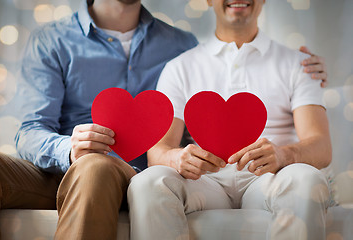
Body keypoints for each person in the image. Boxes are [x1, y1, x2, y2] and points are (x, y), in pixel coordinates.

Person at [0, 0, 327, 239]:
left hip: (113, 170)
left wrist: (309, 69)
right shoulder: (52, 40)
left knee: (95, 166)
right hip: (60, 165)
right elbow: (30, 131)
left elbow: (220, 73)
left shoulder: (178, 46)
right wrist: (68, 147)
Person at [127, 0, 332, 240]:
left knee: (306, 178)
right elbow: (158, 152)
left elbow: (321, 146)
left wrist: (283, 155)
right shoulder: (179, 67)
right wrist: (178, 158)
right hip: (204, 182)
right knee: (147, 182)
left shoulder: (301, 64)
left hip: (271, 178)